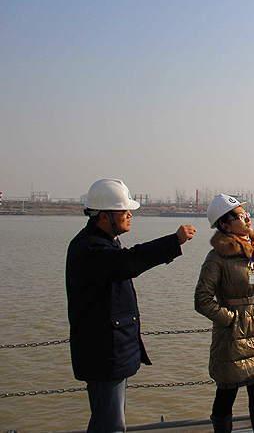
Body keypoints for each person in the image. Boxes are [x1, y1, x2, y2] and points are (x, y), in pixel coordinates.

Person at [66, 178, 196, 433]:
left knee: (110, 420)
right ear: (104, 216)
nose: (129, 215)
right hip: (104, 352)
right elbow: (128, 262)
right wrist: (173, 241)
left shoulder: (103, 242)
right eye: (123, 211)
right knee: (110, 424)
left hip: (110, 350)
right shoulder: (90, 248)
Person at [194, 194, 254, 433]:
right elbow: (202, 299)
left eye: (246, 214)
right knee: (227, 391)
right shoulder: (217, 258)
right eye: (241, 216)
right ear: (225, 225)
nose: (248, 219)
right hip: (232, 335)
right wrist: (230, 319)